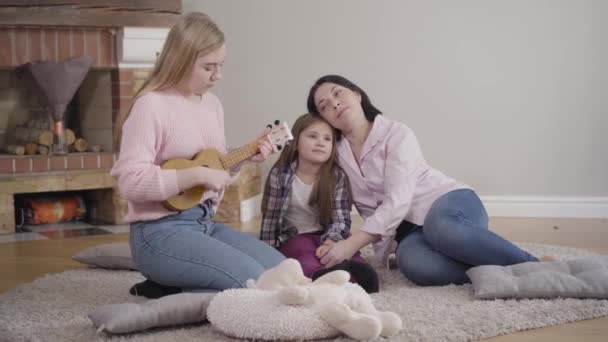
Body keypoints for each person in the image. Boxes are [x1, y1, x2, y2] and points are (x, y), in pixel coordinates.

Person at [306, 74, 547, 286]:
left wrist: (353, 244)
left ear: (357, 95)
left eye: (338, 93)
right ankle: (493, 268)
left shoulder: (397, 133)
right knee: (415, 266)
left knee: (440, 227)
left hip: (450, 204)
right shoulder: (336, 155)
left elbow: (398, 200)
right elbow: (340, 206)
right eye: (324, 106)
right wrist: (335, 242)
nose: (334, 103)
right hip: (411, 232)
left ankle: (533, 265)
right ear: (324, 118)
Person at [111, 12, 285, 298]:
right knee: (256, 284)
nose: (218, 75)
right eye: (209, 67)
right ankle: (174, 283)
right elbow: (130, 181)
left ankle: (177, 285)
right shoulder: (150, 106)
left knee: (285, 270)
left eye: (221, 65)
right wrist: (199, 174)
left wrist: (242, 158)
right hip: (158, 233)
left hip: (203, 224)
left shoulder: (212, 105)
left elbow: (213, 168)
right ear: (179, 60)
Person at [260, 113, 379, 293]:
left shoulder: (336, 177)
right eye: (312, 136)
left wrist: (332, 241)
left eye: (327, 139)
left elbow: (341, 219)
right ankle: (322, 276)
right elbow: (270, 218)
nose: (320, 142)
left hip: (326, 233)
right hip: (293, 236)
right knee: (303, 255)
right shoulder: (281, 175)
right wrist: (266, 254)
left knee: (347, 253)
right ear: (295, 142)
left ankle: (355, 274)